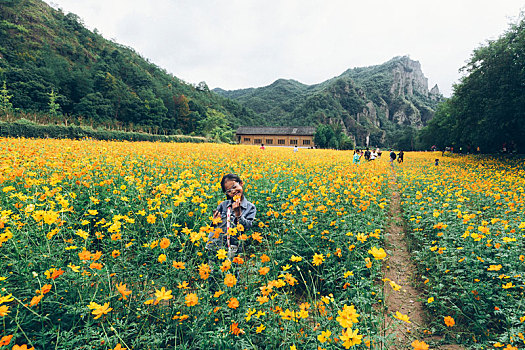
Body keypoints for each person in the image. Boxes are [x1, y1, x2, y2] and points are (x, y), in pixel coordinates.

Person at [206, 174, 257, 260]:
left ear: (241, 183)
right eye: (229, 191)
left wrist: (238, 214)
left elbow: (248, 227)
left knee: (233, 271)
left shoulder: (250, 207)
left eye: (234, 187)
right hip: (217, 247)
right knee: (214, 270)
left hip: (235, 249)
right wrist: (215, 221)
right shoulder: (223, 205)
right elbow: (213, 228)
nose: (233, 191)